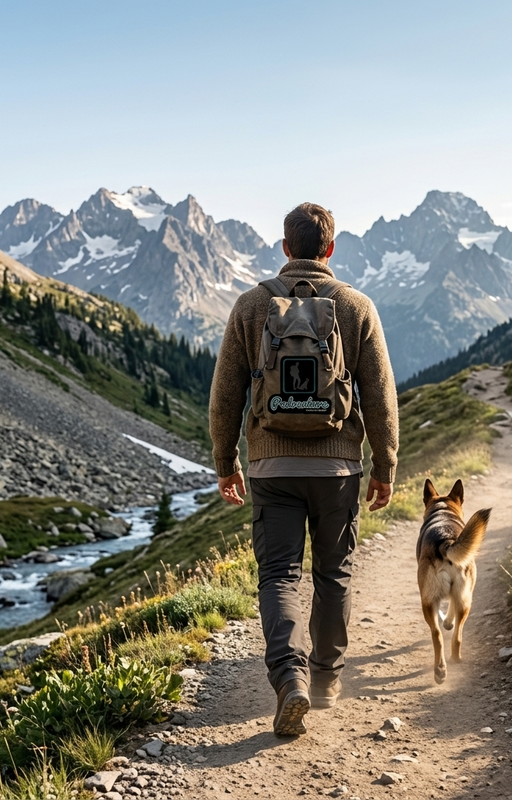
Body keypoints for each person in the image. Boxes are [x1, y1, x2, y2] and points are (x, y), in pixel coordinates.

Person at [209, 202, 399, 736]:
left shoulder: (251, 304)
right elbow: (380, 396)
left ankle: (288, 679)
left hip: (271, 465)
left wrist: (226, 461)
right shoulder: (356, 306)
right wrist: (384, 465)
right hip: (338, 467)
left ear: (286, 248)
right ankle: (326, 679)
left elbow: (226, 394)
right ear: (330, 249)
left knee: (278, 575)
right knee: (333, 573)